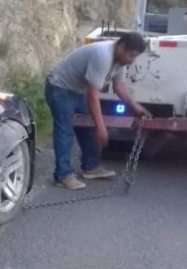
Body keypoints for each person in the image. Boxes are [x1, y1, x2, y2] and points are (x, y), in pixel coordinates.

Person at [45, 32, 150, 190]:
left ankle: (91, 167)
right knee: (65, 131)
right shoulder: (103, 56)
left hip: (77, 90)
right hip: (59, 87)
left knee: (87, 126)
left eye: (135, 57)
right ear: (121, 47)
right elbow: (93, 95)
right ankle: (62, 175)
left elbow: (119, 86)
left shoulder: (119, 62)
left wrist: (135, 107)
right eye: (131, 55)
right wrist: (101, 128)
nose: (132, 60)